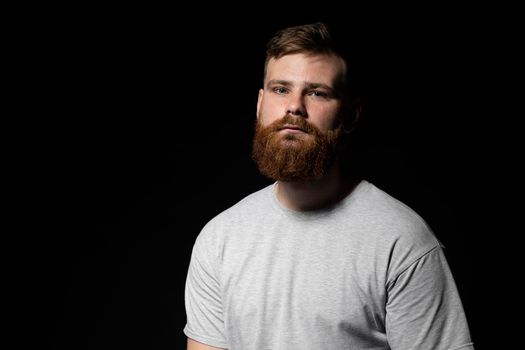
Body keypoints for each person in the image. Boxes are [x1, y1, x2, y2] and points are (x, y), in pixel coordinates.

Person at [183, 22, 474, 350]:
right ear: (260, 104)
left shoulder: (401, 242)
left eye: (317, 93)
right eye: (281, 89)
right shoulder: (219, 239)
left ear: (350, 114)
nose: (295, 107)